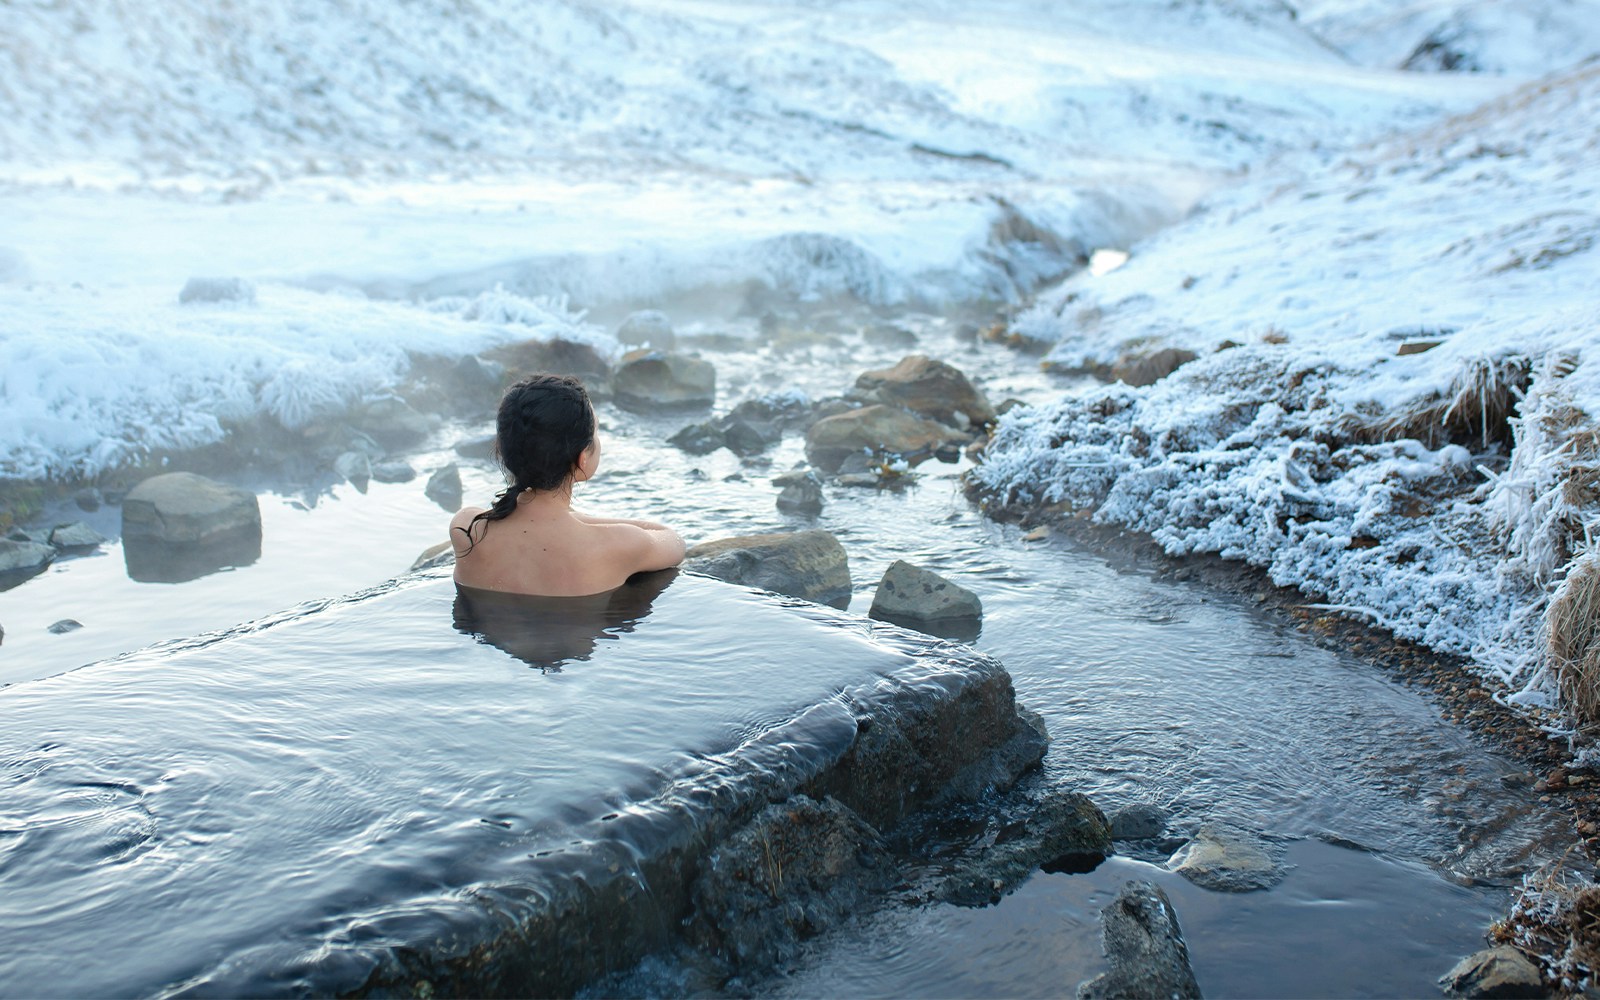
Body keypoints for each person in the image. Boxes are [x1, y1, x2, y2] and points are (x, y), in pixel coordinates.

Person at [450, 373, 685, 596]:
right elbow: (672, 541)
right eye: (596, 432)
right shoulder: (619, 544)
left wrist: (573, 518)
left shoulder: (467, 528)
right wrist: (577, 519)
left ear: (503, 450)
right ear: (582, 458)